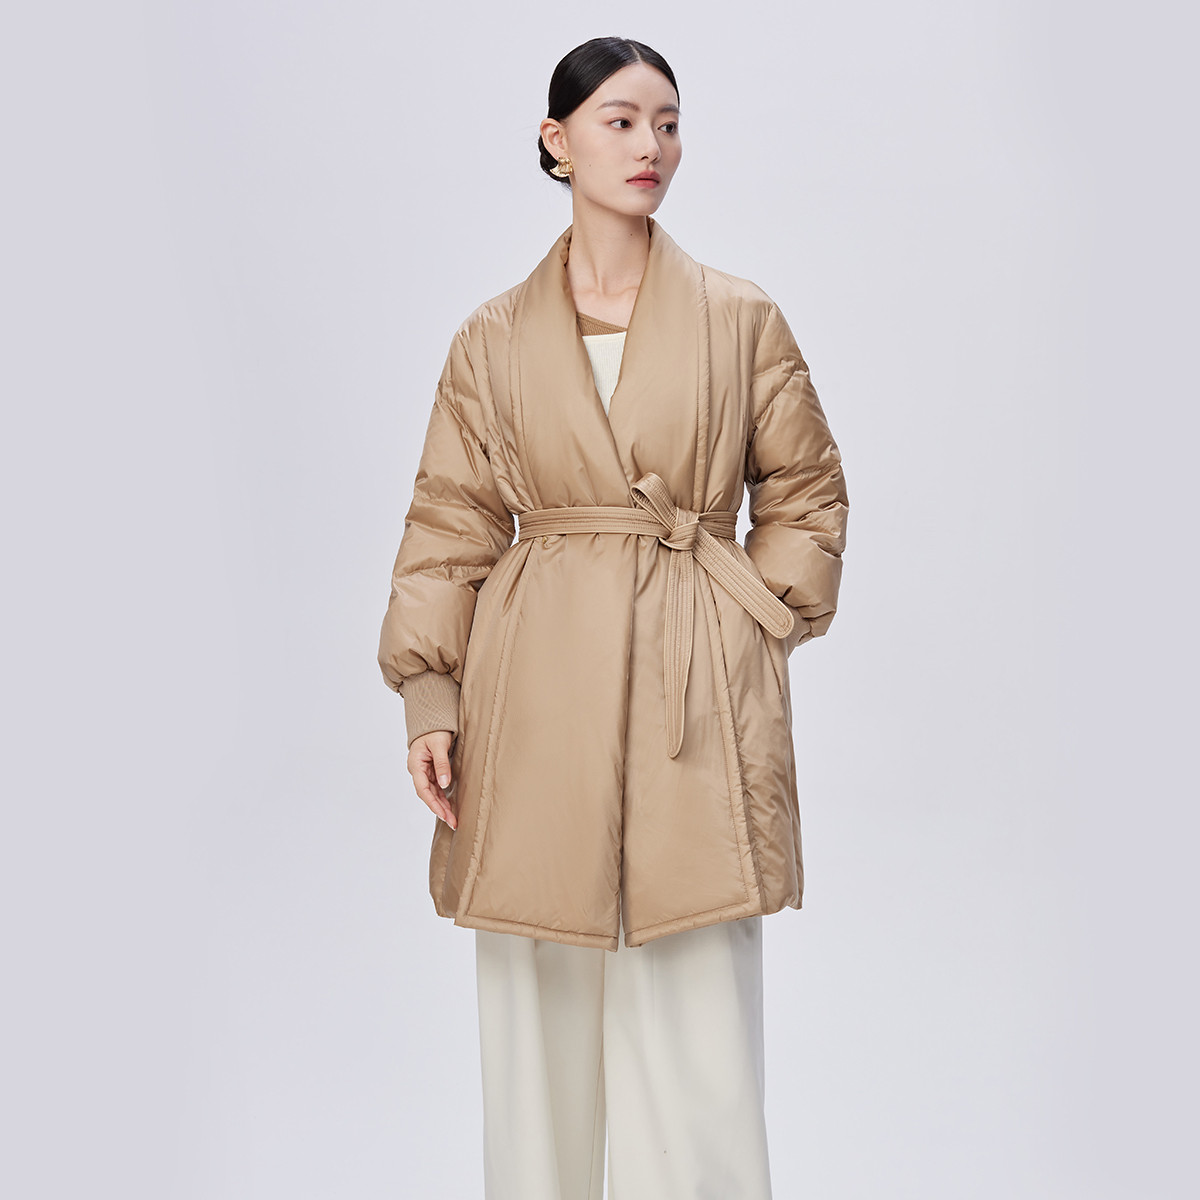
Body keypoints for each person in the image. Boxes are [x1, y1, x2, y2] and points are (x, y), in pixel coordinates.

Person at [378, 36, 849, 1200]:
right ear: (558, 142)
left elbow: (806, 492)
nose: (652, 147)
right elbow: (450, 521)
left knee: (696, 1027)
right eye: (622, 121)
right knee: (536, 1019)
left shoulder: (740, 319)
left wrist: (750, 620)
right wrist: (432, 696)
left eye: (669, 123)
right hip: (534, 692)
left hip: (694, 685)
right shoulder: (492, 339)